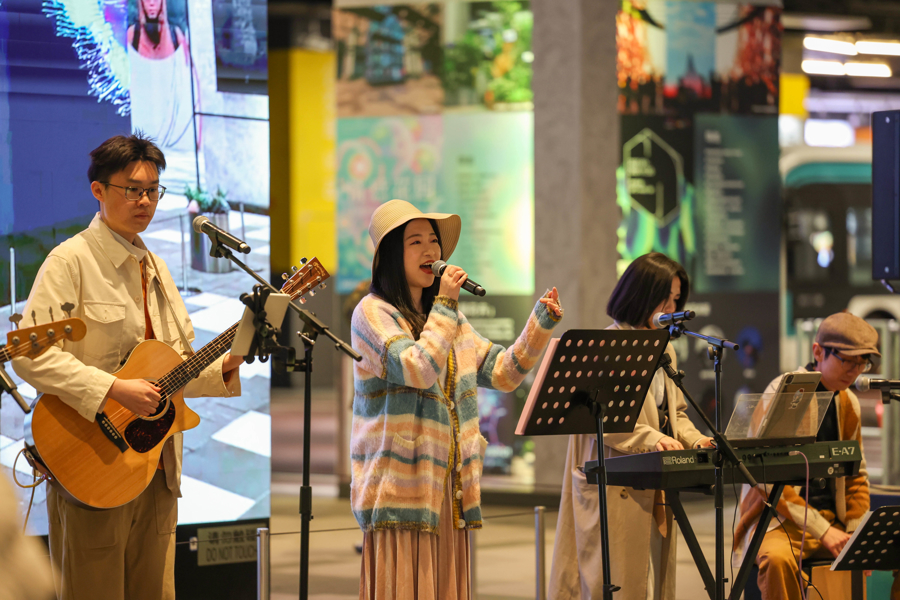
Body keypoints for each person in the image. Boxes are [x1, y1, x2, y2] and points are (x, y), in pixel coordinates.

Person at [12, 133, 244, 600]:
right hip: (93, 461)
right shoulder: (70, 261)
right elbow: (28, 355)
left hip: (157, 465)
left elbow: (173, 367)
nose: (145, 201)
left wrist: (231, 359)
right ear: (98, 190)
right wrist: (113, 390)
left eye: (153, 190)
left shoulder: (156, 267)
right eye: (132, 190)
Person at [350, 199, 563, 600]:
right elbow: (417, 368)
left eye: (433, 240)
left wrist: (539, 324)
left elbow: (503, 373)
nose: (430, 251)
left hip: (448, 489)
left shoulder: (447, 318)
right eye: (415, 242)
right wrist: (446, 304)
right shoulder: (372, 314)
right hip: (399, 490)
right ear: (392, 255)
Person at [550, 252, 714, 600]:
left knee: (649, 580)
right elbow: (606, 420)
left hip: (653, 479)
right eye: (666, 297)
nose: (672, 307)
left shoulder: (665, 350)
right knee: (612, 581)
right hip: (613, 478)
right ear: (642, 294)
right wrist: (654, 439)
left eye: (676, 299)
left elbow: (675, 414)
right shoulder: (605, 346)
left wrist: (697, 440)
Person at [733, 311, 873, 600]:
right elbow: (766, 477)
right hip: (778, 521)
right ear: (818, 352)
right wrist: (823, 530)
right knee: (777, 559)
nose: (855, 371)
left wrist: (857, 532)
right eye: (847, 360)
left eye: (862, 363)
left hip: (831, 521)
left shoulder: (849, 402)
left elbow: (856, 476)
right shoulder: (786, 393)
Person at [127, 0, 199, 193]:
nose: (152, 3)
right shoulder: (132, 35)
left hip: (179, 146)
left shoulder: (177, 35)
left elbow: (191, 75)